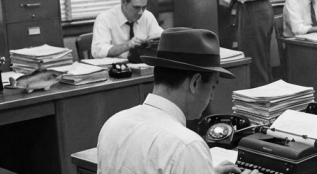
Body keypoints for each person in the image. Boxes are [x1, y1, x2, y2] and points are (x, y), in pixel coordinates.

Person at [97, 28, 257, 174]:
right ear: (195, 83)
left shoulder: (112, 125)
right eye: (213, 87)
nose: (211, 97)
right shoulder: (187, 146)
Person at [218, 0, 275, 87]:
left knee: (255, 64)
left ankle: (259, 97)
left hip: (254, 8)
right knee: (255, 61)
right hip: (248, 8)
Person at [91, 0, 164, 59]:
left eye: (144, 7)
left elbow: (162, 39)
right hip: (115, 70)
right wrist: (127, 45)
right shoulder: (105, 18)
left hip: (142, 67)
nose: (140, 12)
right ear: (123, 2)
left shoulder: (147, 16)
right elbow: (97, 51)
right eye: (136, 7)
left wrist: (155, 41)